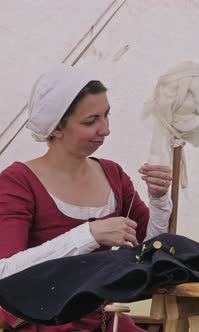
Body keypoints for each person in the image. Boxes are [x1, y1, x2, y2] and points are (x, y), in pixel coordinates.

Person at [0, 64, 173, 331]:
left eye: (106, 116)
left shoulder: (112, 174)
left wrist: (159, 200)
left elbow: (151, 252)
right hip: (40, 321)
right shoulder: (18, 182)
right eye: (91, 121)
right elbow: (6, 272)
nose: (105, 129)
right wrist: (88, 235)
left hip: (102, 319)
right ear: (56, 128)